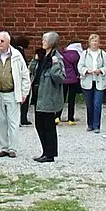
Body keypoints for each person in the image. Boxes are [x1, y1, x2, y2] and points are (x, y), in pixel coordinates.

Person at [0, 31, 29, 157]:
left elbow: (24, 75)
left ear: (8, 42)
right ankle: (4, 147)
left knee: (13, 122)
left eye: (2, 41)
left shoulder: (17, 56)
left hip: (12, 93)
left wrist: (24, 92)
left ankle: (13, 148)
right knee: (0, 122)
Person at [31, 30, 66, 161]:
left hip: (49, 96)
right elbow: (33, 71)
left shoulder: (57, 58)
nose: (43, 42)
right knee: (39, 125)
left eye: (45, 40)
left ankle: (50, 154)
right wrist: (35, 61)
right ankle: (45, 151)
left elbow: (60, 77)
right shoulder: (42, 56)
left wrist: (55, 64)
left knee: (48, 126)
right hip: (38, 95)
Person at [79, 33, 106, 134]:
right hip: (87, 81)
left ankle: (97, 125)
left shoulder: (103, 54)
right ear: (90, 42)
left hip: (99, 81)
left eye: (96, 41)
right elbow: (80, 66)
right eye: (93, 41)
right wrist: (86, 71)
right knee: (89, 104)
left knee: (97, 104)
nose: (94, 43)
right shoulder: (84, 53)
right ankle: (90, 124)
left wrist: (100, 70)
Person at [60, 38, 84, 124]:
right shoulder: (77, 55)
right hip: (73, 80)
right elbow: (77, 68)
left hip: (63, 79)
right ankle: (70, 118)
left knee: (61, 98)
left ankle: (57, 117)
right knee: (71, 99)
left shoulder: (63, 53)